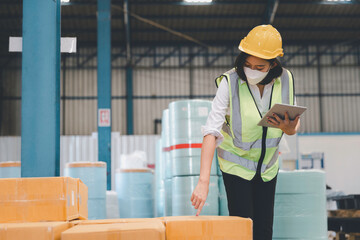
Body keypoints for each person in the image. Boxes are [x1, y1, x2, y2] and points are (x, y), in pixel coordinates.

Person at [190, 25, 300, 240]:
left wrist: (289, 128)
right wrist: (203, 182)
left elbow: (293, 127)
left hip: (267, 168)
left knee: (263, 231)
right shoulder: (229, 82)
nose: (252, 70)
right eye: (248, 64)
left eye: (260, 66)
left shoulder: (285, 80)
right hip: (236, 167)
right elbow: (211, 131)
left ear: (273, 64)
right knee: (242, 229)